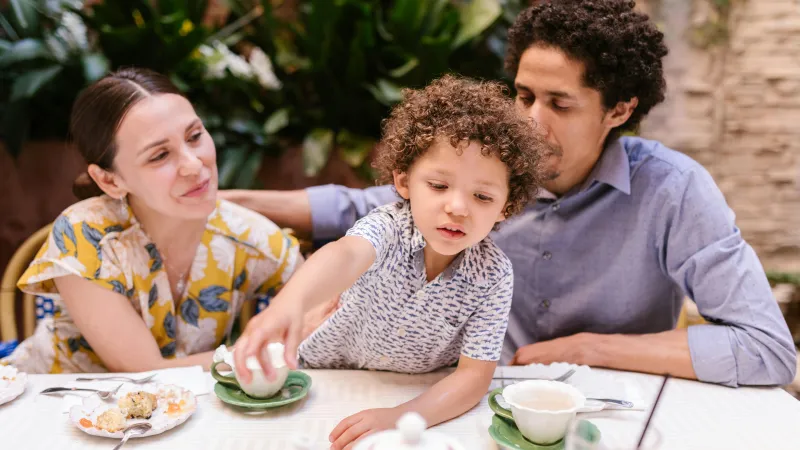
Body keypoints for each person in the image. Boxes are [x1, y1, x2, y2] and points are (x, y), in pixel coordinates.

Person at [222, 0, 797, 388]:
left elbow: (768, 350)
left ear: (619, 110)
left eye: (560, 103)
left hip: (608, 412)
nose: (529, 121)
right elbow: (365, 211)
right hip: (470, 405)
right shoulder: (483, 179)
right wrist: (220, 200)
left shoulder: (674, 190)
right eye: (524, 96)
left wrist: (590, 348)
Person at [234, 75, 545, 449]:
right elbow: (344, 254)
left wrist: (399, 417)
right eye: (438, 186)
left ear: (506, 208)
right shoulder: (388, 227)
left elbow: (472, 379)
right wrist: (289, 306)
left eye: (482, 196)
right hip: (324, 379)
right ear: (403, 181)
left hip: (416, 394)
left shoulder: (494, 275)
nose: (458, 207)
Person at [2, 68, 302, 374]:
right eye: (159, 156)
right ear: (109, 180)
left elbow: (325, 309)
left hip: (187, 413)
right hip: (49, 405)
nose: (193, 165)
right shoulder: (85, 235)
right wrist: (262, 349)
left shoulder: (247, 234)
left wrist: (308, 319)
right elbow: (144, 370)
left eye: (195, 136)